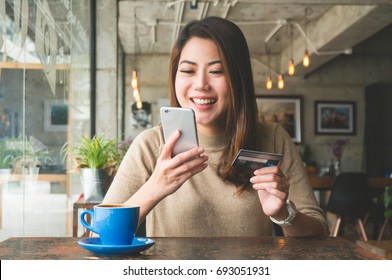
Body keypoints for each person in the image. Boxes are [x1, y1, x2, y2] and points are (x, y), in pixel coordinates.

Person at [103, 16, 328, 237]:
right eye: (188, 71)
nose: (201, 84)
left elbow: (319, 232)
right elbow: (102, 232)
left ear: (238, 78)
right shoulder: (150, 144)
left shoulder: (273, 138)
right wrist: (155, 187)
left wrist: (283, 214)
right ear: (174, 77)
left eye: (217, 71)